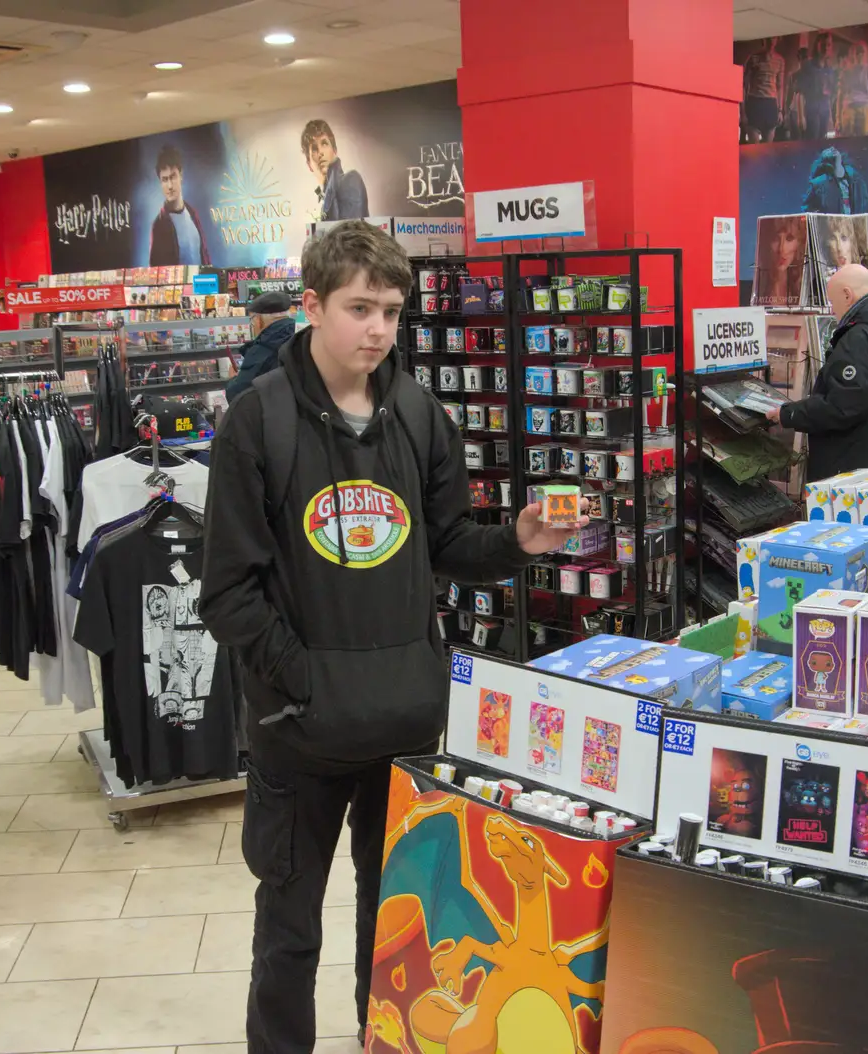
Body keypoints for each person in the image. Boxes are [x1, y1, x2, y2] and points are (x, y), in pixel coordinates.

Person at [199, 220, 586, 1053]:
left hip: (404, 729)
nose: (378, 330)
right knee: (288, 934)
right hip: (295, 737)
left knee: (397, 928)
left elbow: (449, 545)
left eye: (392, 311)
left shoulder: (418, 414)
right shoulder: (255, 425)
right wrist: (301, 679)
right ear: (312, 306)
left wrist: (517, 542)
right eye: (359, 308)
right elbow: (227, 593)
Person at [767, 264, 868, 479]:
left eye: (832, 302)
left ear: (847, 295)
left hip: (856, 471)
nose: (832, 311)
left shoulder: (861, 336)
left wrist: (789, 414)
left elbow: (844, 405)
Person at [224, 290, 297, 403]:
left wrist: (232, 379)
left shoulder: (262, 349)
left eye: (252, 320)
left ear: (258, 320)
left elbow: (237, 396)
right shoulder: (301, 337)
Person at [149, 145, 211, 266]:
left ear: (181, 175)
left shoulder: (192, 214)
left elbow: (205, 255)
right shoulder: (159, 225)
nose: (170, 185)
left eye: (173, 177)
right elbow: (156, 272)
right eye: (165, 179)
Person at [301, 118, 368, 221]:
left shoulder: (350, 180)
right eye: (314, 149)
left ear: (335, 150)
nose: (320, 152)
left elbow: (352, 234)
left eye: (324, 143)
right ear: (309, 165)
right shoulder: (326, 198)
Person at [790, 34, 836, 140]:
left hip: (824, 111)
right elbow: (799, 92)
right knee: (811, 142)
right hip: (811, 111)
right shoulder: (807, 65)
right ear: (817, 45)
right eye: (823, 44)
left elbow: (829, 94)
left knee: (822, 142)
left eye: (828, 45)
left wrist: (830, 117)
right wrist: (801, 117)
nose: (826, 48)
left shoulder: (829, 69)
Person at [742, 38, 785, 143]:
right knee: (754, 148)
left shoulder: (780, 60)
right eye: (769, 38)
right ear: (764, 39)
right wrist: (742, 112)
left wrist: (780, 110)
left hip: (770, 104)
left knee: (768, 148)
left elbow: (780, 86)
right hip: (755, 102)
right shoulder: (753, 58)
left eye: (774, 38)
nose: (771, 41)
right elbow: (743, 85)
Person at [838, 43, 868, 137]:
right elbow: (840, 95)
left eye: (862, 52)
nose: (860, 55)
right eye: (857, 52)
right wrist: (837, 118)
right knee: (848, 140)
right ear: (853, 54)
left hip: (866, 108)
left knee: (864, 140)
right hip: (849, 108)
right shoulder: (845, 72)